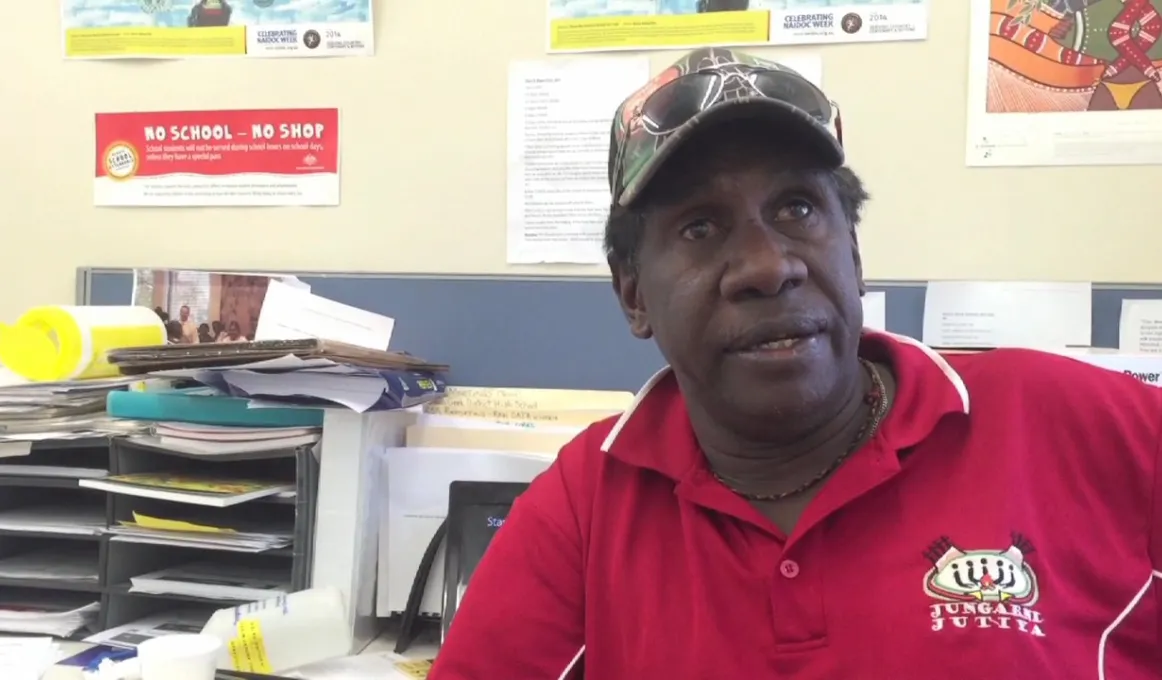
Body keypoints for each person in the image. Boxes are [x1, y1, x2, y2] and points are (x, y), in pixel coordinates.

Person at [430, 48, 1162, 678]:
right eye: (700, 226)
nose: (765, 265)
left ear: (856, 253)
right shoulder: (585, 507)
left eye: (798, 209)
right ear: (634, 296)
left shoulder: (1076, 422)